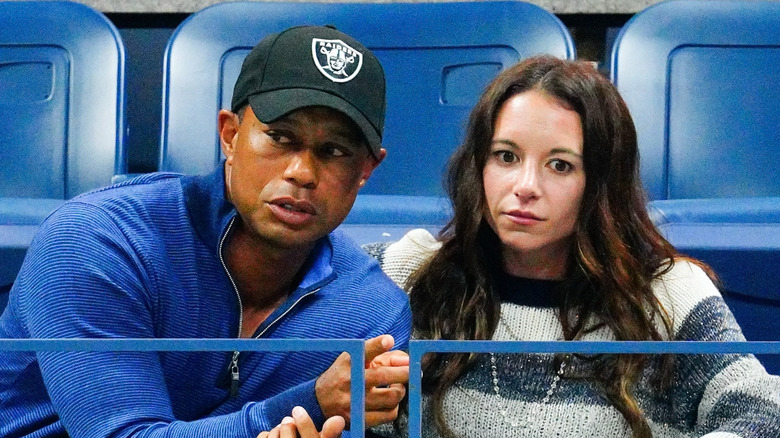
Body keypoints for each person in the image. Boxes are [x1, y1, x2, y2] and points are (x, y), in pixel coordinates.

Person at [0, 25, 411, 437]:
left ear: (366, 170)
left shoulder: (373, 317)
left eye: (334, 151)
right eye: (280, 137)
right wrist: (308, 404)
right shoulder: (98, 240)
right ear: (230, 135)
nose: (301, 172)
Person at [367, 55, 780, 437]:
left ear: (601, 185)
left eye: (560, 165)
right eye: (506, 156)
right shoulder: (409, 272)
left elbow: (763, 409)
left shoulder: (666, 293)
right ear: (478, 165)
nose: (525, 187)